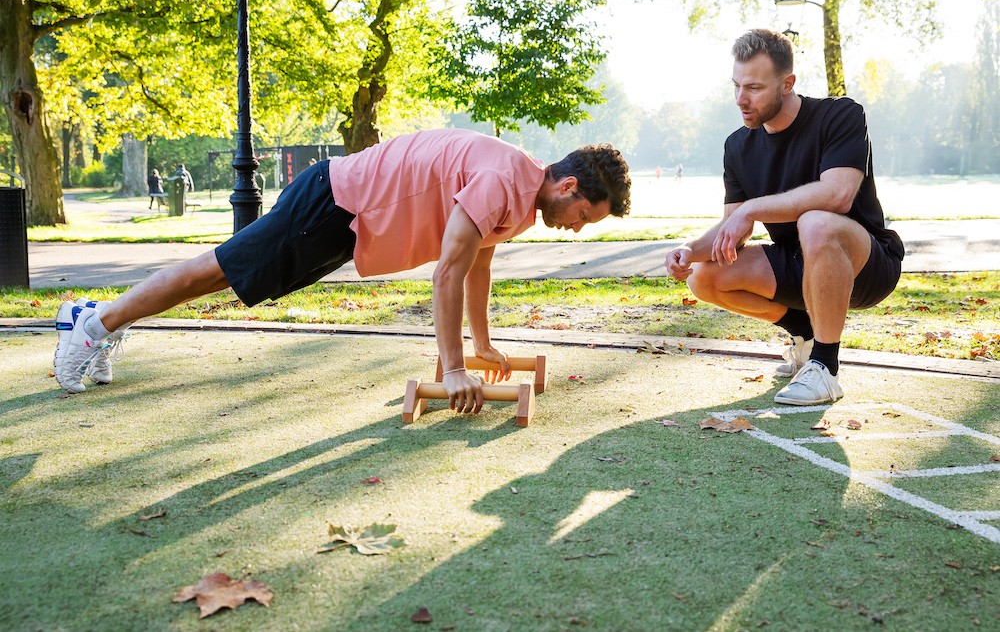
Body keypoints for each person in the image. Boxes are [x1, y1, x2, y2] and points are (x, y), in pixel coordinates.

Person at [54, 128, 632, 413]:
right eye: (584, 215)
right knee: (217, 273)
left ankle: (96, 320)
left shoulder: (524, 195)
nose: (578, 227)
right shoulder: (506, 178)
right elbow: (447, 274)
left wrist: (482, 346)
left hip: (346, 214)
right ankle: (92, 327)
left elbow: (478, 263)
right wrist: (454, 369)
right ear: (569, 185)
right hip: (335, 203)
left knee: (226, 276)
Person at [664, 29, 904, 406]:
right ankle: (805, 335)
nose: (741, 99)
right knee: (704, 274)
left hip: (866, 265)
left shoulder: (841, 115)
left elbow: (838, 195)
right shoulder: (737, 146)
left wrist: (753, 208)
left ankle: (826, 368)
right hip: (796, 266)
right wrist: (688, 250)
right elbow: (732, 232)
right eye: (736, 86)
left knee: (816, 221)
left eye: (755, 88)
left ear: (787, 83)